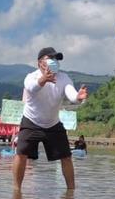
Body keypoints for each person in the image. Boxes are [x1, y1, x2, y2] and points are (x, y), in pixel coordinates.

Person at [12, 47, 88, 191]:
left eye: (56, 59)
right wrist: (43, 80)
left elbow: (70, 93)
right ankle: (16, 192)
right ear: (40, 62)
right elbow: (32, 88)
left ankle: (71, 192)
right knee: (21, 154)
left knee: (66, 157)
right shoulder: (31, 77)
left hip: (53, 123)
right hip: (31, 121)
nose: (54, 62)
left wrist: (78, 97)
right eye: (50, 59)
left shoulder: (63, 78)